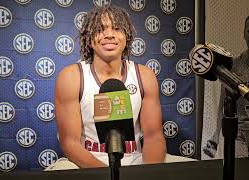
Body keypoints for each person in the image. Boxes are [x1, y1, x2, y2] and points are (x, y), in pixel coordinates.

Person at [50, 5, 193, 170]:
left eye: (117, 29)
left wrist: (148, 174)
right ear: (89, 39)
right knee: (62, 170)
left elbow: (153, 136)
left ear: (127, 37)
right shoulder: (71, 77)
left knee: (194, 169)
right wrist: (106, 176)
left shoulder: (144, 75)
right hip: (87, 163)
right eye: (100, 30)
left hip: (134, 160)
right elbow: (69, 143)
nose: (109, 35)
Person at [203, 16, 249, 158]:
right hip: (239, 134)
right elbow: (224, 103)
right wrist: (215, 137)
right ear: (243, 33)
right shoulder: (233, 65)